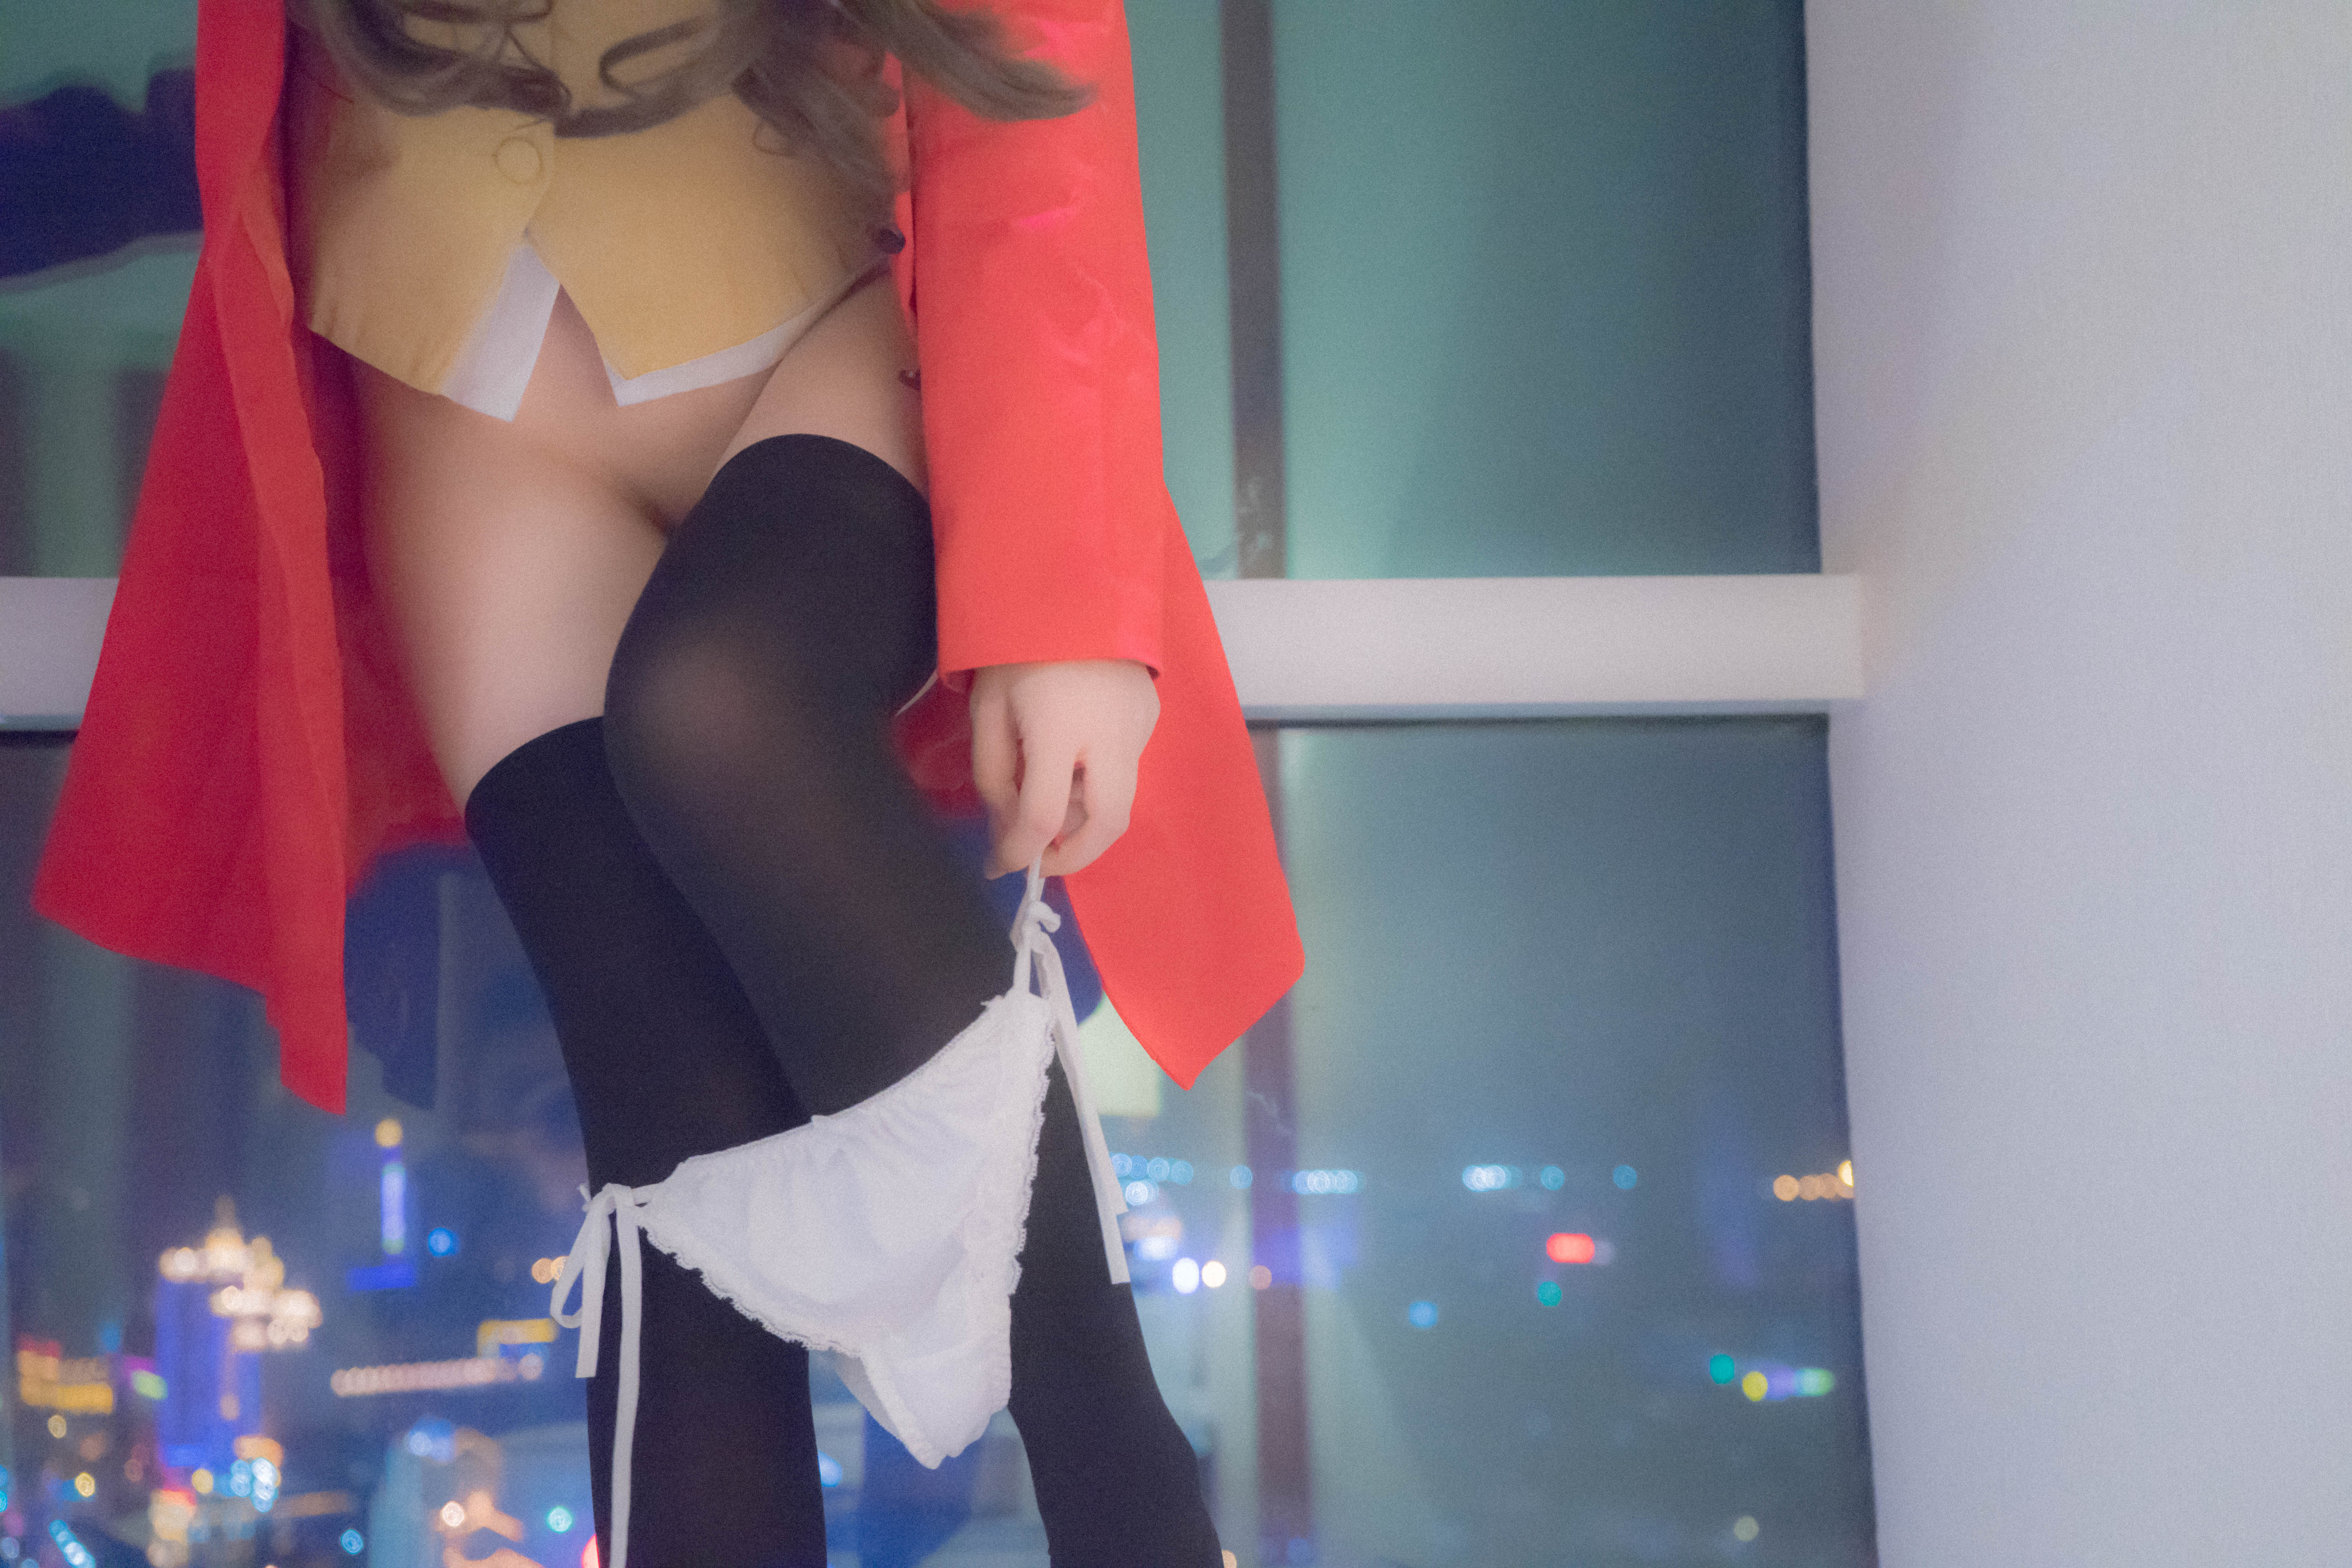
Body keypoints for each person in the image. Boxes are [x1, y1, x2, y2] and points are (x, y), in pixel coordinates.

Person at [31, 0, 1301, 1562]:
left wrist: (1069, 594)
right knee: (670, 1118)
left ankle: (1142, 1514)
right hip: (465, 398)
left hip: (813, 316)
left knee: (721, 706)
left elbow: (1035, 56)